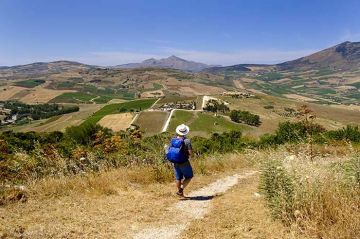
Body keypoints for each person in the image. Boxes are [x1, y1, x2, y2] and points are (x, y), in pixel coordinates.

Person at [167, 124, 193, 197]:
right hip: (184, 162)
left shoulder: (173, 140)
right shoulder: (187, 141)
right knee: (189, 177)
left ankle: (181, 194)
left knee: (178, 178)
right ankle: (180, 190)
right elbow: (190, 153)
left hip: (175, 161)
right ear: (185, 132)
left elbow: (169, 149)